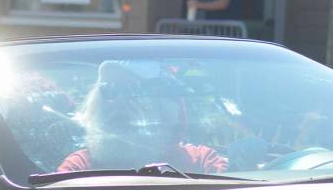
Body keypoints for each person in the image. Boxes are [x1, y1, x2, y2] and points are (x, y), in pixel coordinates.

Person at [57, 61, 227, 173]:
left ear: (164, 108)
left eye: (132, 91)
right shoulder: (81, 167)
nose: (118, 102)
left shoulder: (198, 161)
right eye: (109, 90)